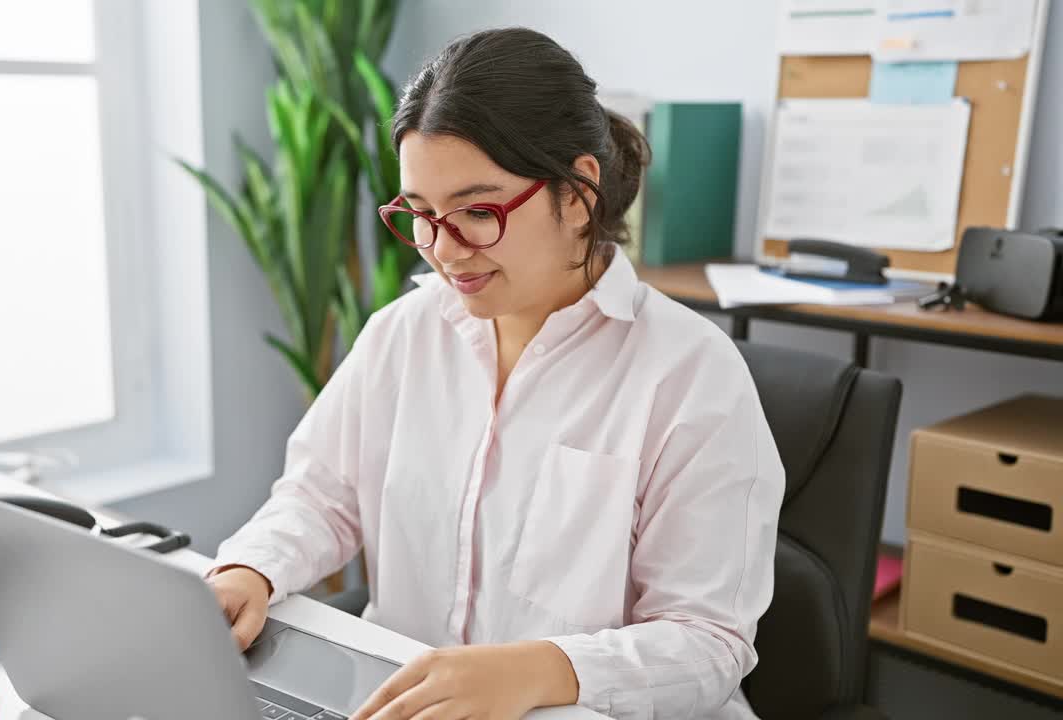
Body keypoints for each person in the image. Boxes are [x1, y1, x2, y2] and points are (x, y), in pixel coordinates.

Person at [207, 27, 784, 720]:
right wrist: (253, 567)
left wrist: (540, 671)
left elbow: (709, 644)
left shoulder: (690, 374)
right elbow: (321, 496)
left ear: (577, 194)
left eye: (477, 212)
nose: (443, 251)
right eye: (419, 213)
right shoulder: (403, 334)